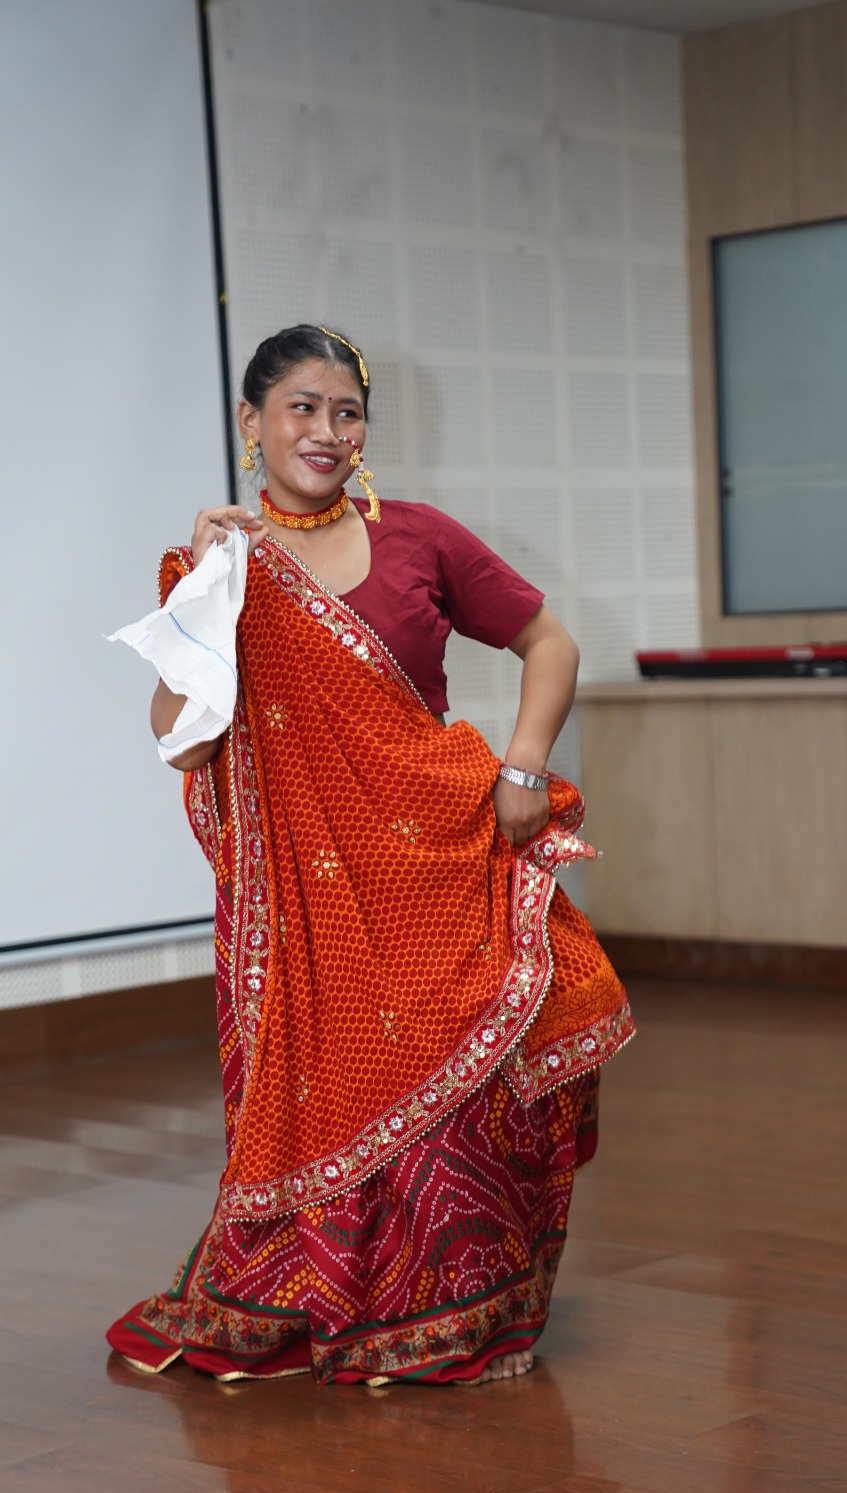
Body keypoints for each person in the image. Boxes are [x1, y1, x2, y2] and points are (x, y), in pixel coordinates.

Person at [106, 323, 634, 1385]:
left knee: (481, 1082)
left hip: (436, 855)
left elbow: (550, 643)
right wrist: (207, 588)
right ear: (252, 422)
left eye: (346, 411)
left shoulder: (420, 537)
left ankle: (466, 1313)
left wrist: (523, 768)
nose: (326, 430)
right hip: (305, 900)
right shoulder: (221, 566)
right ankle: (333, 1300)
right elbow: (185, 740)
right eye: (301, 407)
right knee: (333, 1091)